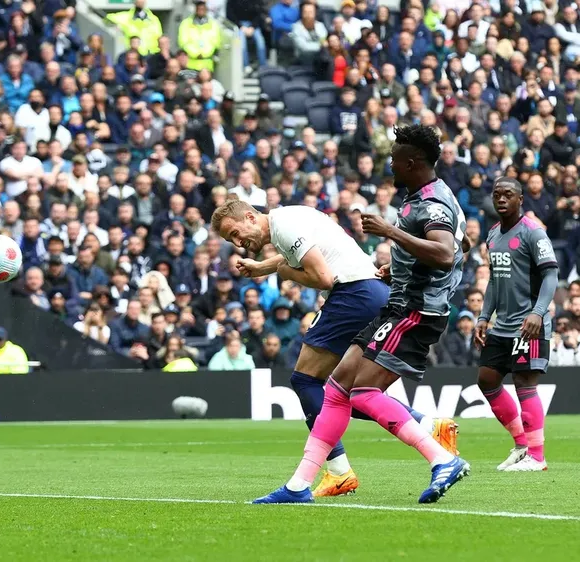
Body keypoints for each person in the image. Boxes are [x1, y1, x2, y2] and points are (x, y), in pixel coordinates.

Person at [254, 125, 470, 505]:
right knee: (337, 391)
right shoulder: (430, 196)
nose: (390, 165)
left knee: (364, 391)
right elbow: (461, 242)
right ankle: (298, 486)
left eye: (394, 159)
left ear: (412, 161)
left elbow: (445, 252)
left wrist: (391, 233)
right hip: (401, 299)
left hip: (416, 309)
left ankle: (442, 458)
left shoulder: (431, 203)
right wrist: (400, 267)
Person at [211, 198, 458, 497]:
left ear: (250, 217)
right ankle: (428, 426)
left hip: (351, 295)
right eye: (230, 241)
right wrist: (262, 267)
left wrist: (287, 274)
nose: (238, 242)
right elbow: (297, 257)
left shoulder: (285, 228)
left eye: (235, 233)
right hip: (369, 291)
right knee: (346, 392)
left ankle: (339, 470)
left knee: (306, 381)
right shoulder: (288, 219)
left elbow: (322, 276)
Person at [474, 177, 559, 472]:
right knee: (486, 379)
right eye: (496, 194)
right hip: (502, 326)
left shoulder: (533, 233)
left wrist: (537, 312)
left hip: (529, 324)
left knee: (524, 382)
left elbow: (550, 276)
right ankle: (522, 445)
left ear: (520, 199)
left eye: (507, 194)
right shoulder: (493, 234)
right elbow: (495, 282)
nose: (501, 199)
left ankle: (537, 456)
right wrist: (484, 316)